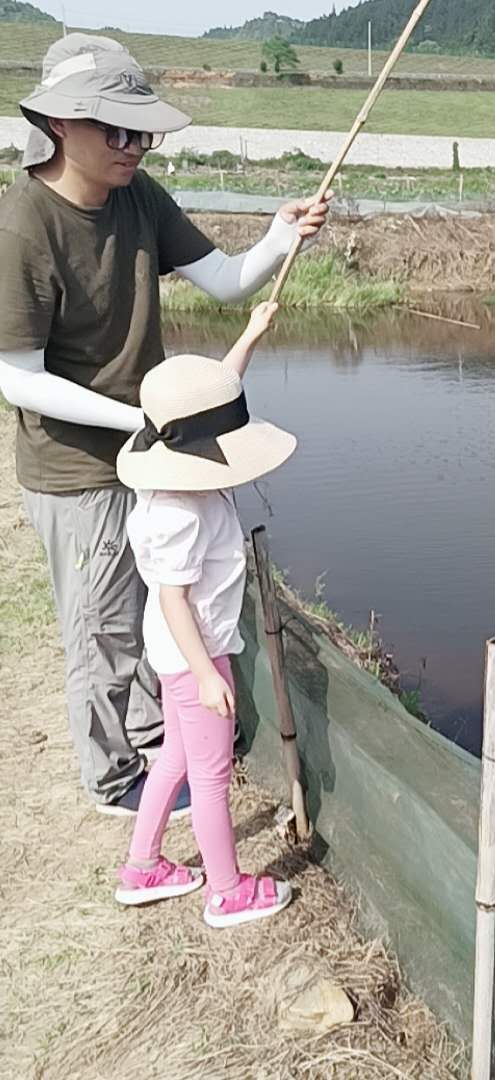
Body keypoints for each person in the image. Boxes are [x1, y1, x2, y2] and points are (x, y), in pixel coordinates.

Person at [0, 34, 331, 815]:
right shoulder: (23, 228)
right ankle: (114, 779)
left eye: (141, 131)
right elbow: (16, 375)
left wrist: (281, 237)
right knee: (103, 625)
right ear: (57, 124)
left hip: (154, 450)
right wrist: (138, 419)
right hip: (79, 467)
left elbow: (221, 281)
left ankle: (158, 743)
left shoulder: (139, 197)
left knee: (159, 606)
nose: (134, 147)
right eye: (116, 131)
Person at [113, 300, 296, 927]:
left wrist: (249, 333)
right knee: (213, 777)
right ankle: (227, 889)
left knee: (176, 759)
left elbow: (213, 395)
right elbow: (172, 598)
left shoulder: (177, 475)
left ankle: (142, 867)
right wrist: (210, 675)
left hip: (175, 655)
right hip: (193, 656)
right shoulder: (178, 512)